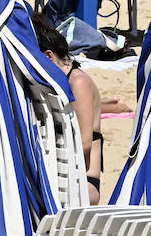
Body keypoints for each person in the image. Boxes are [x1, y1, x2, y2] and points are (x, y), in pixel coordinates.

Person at [31, 14, 102, 205]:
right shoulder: (60, 83)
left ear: (48, 56)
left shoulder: (78, 82)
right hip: (65, 175)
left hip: (84, 181)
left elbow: (85, 143)